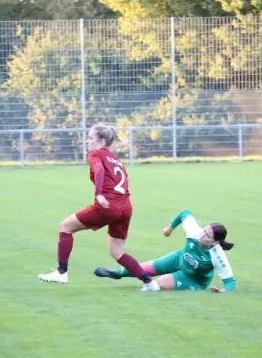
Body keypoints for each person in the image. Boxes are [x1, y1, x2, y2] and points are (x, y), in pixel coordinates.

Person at [38, 123, 160, 291]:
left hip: (108, 205)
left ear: (101, 141)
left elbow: (99, 170)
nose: (86, 141)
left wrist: (99, 194)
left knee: (65, 226)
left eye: (90, 138)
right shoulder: (116, 159)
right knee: (117, 252)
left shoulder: (96, 154)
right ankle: (150, 283)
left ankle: (61, 272)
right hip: (126, 207)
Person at [94, 209, 236, 291]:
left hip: (193, 279)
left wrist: (224, 290)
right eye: (204, 230)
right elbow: (184, 213)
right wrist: (169, 229)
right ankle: (117, 274)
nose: (202, 235)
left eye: (207, 235)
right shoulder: (195, 231)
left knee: (158, 284)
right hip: (179, 259)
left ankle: (148, 288)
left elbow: (230, 281)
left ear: (215, 241)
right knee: (143, 269)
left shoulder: (217, 255)